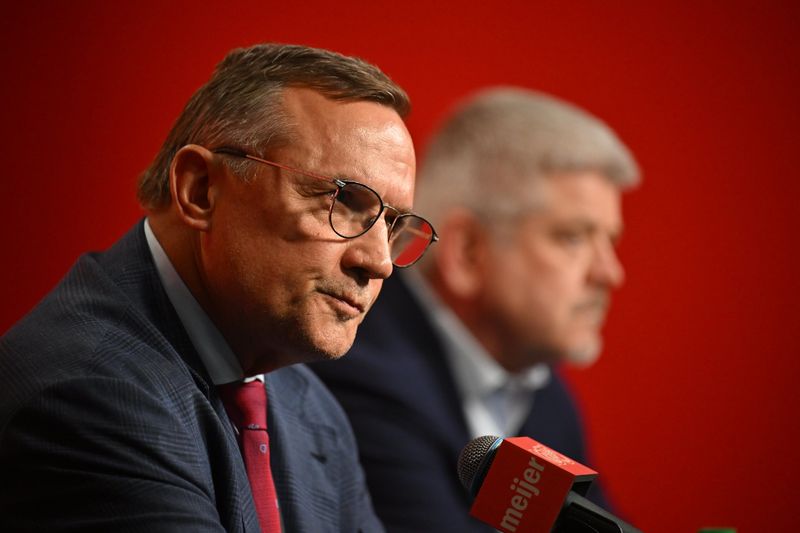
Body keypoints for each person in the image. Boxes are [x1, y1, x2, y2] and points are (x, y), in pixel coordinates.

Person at [0, 43, 437, 532]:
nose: (377, 262)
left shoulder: (310, 405)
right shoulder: (89, 395)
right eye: (342, 201)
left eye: (393, 226)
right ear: (201, 190)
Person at [310, 87, 641, 532]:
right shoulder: (361, 373)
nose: (610, 273)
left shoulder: (545, 397)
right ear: (466, 251)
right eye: (573, 237)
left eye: (611, 241)